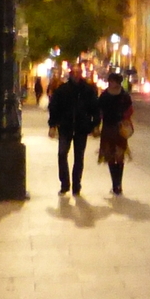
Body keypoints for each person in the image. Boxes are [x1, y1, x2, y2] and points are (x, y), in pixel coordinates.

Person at [47, 62, 99, 197]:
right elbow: (54, 108)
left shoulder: (88, 90)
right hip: (65, 127)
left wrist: (95, 125)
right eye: (73, 73)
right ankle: (65, 184)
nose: (76, 75)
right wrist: (52, 125)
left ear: (81, 74)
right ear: (70, 74)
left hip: (81, 128)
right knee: (62, 154)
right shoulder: (62, 90)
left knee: (79, 158)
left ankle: (76, 185)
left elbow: (95, 109)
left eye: (78, 73)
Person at [97, 71, 134, 195]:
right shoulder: (104, 96)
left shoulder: (124, 96)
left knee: (119, 156)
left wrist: (125, 118)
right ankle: (115, 184)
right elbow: (99, 111)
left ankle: (118, 183)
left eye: (113, 81)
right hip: (108, 127)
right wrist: (96, 125)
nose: (111, 83)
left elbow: (130, 110)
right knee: (110, 157)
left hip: (119, 128)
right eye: (110, 81)